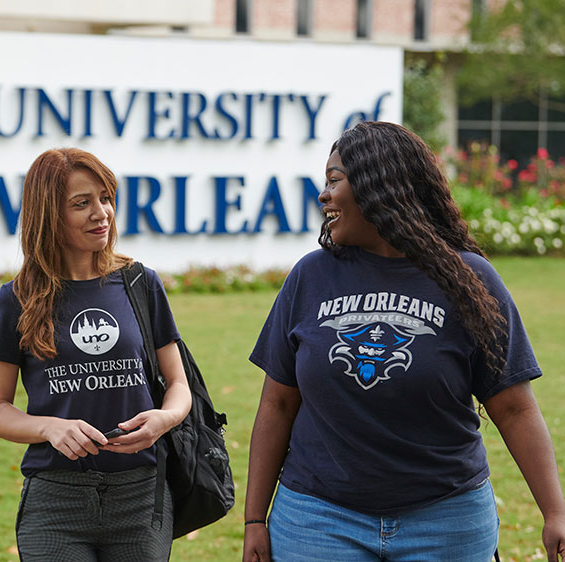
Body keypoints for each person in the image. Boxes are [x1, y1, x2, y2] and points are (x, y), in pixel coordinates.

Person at [242, 121, 565, 562]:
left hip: (446, 520)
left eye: (335, 180)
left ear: (378, 186)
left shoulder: (468, 279)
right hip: (317, 519)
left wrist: (554, 512)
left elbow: (513, 406)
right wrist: (254, 521)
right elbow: (278, 403)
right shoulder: (310, 276)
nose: (324, 195)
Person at [0, 147, 192, 561]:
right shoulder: (17, 298)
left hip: (140, 495)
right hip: (55, 499)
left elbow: (179, 385)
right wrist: (49, 428)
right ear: (48, 214)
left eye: (105, 198)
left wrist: (162, 420)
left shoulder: (139, 284)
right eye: (82, 204)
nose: (102, 213)